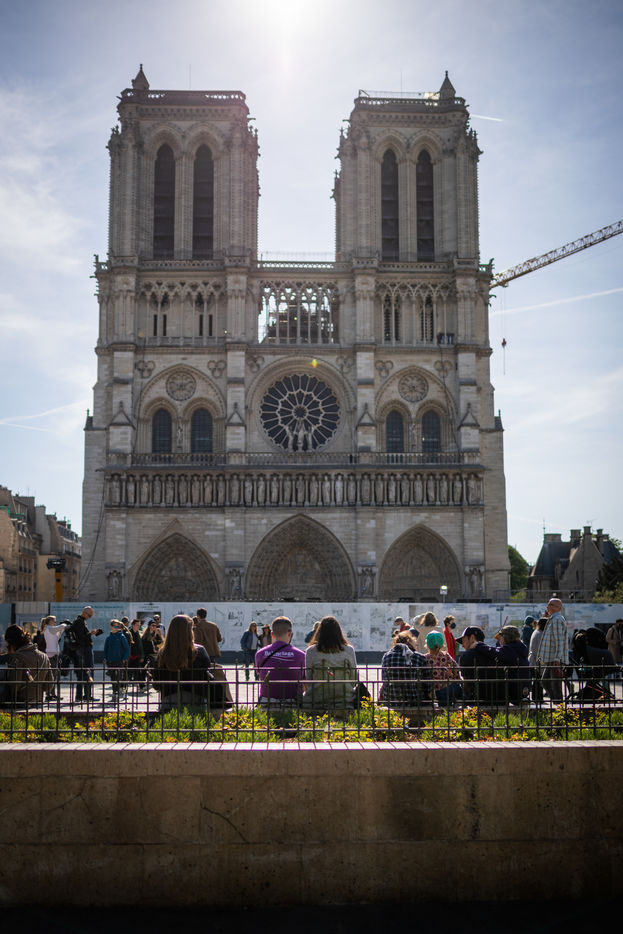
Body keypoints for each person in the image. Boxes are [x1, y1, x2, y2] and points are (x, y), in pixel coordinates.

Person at [152, 614, 217, 711]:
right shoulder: (199, 651)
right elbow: (209, 677)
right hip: (196, 699)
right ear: (189, 631)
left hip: (169, 699)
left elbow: (156, 683)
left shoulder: (163, 653)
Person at [302, 615, 358, 711]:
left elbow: (309, 678)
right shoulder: (348, 650)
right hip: (344, 699)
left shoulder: (311, 651)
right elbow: (354, 678)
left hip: (316, 699)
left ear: (319, 632)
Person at [255, 616, 305, 706]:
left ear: (272, 634)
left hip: (267, 701)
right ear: (290, 633)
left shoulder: (260, 653)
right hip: (292, 702)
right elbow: (304, 680)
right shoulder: (301, 655)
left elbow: (259, 674)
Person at [473, 625, 530, 704]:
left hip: (514, 688)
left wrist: (478, 645)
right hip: (524, 687)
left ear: (506, 637)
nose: (499, 639)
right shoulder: (520, 647)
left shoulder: (510, 649)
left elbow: (494, 652)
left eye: (500, 637)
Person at [0, 625, 53, 707]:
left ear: (11, 643)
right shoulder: (44, 656)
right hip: (38, 702)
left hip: (21, 702)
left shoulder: (18, 657)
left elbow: (15, 686)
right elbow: (48, 685)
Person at [64, 606, 103, 703]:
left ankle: (80, 696)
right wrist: (91, 633)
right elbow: (81, 638)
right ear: (85, 613)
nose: (89, 617)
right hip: (84, 650)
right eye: (89, 615)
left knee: (82, 672)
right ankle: (86, 695)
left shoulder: (79, 621)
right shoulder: (79, 622)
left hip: (81, 650)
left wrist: (90, 633)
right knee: (87, 671)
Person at [381, 631, 429, 708]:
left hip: (391, 701)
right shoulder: (419, 657)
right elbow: (428, 684)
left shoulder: (386, 656)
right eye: (414, 641)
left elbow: (384, 680)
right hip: (415, 701)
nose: (416, 644)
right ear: (409, 641)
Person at [536, 598, 569, 702]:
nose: (547, 606)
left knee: (555, 684)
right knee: (545, 682)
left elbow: (559, 640)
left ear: (556, 607)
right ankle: (556, 702)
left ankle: (558, 705)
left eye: (550, 604)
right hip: (551, 658)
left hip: (554, 659)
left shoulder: (557, 620)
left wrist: (557, 658)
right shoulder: (553, 619)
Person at [456, 626, 498, 704]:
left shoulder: (466, 656)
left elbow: (466, 684)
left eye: (463, 641)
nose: (462, 645)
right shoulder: (493, 653)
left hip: (476, 700)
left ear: (472, 638)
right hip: (495, 698)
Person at [425, 631, 462, 706]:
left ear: (427, 645)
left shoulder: (425, 658)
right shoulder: (446, 655)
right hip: (447, 688)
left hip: (433, 691)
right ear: (442, 645)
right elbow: (456, 668)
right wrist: (457, 680)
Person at [39, 615, 70, 700]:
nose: (55, 622)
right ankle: (49, 695)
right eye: (54, 621)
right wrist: (64, 624)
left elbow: (59, 633)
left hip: (54, 654)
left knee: (54, 676)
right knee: (51, 676)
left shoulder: (51, 629)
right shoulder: (49, 628)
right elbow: (60, 627)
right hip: (51, 654)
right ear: (49, 621)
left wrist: (64, 627)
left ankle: (52, 694)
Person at [103, 619, 130, 700]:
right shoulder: (108, 638)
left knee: (118, 677)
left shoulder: (122, 636)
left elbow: (127, 648)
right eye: (115, 626)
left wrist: (124, 658)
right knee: (113, 678)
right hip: (110, 661)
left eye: (118, 626)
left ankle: (117, 692)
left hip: (119, 661)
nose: (117, 628)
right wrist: (105, 658)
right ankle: (114, 692)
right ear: (111, 626)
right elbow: (106, 649)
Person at [528, 617, 548, 702]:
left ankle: (538, 698)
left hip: (533, 660)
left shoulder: (536, 632)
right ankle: (538, 699)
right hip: (538, 661)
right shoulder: (541, 634)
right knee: (538, 681)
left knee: (537, 681)